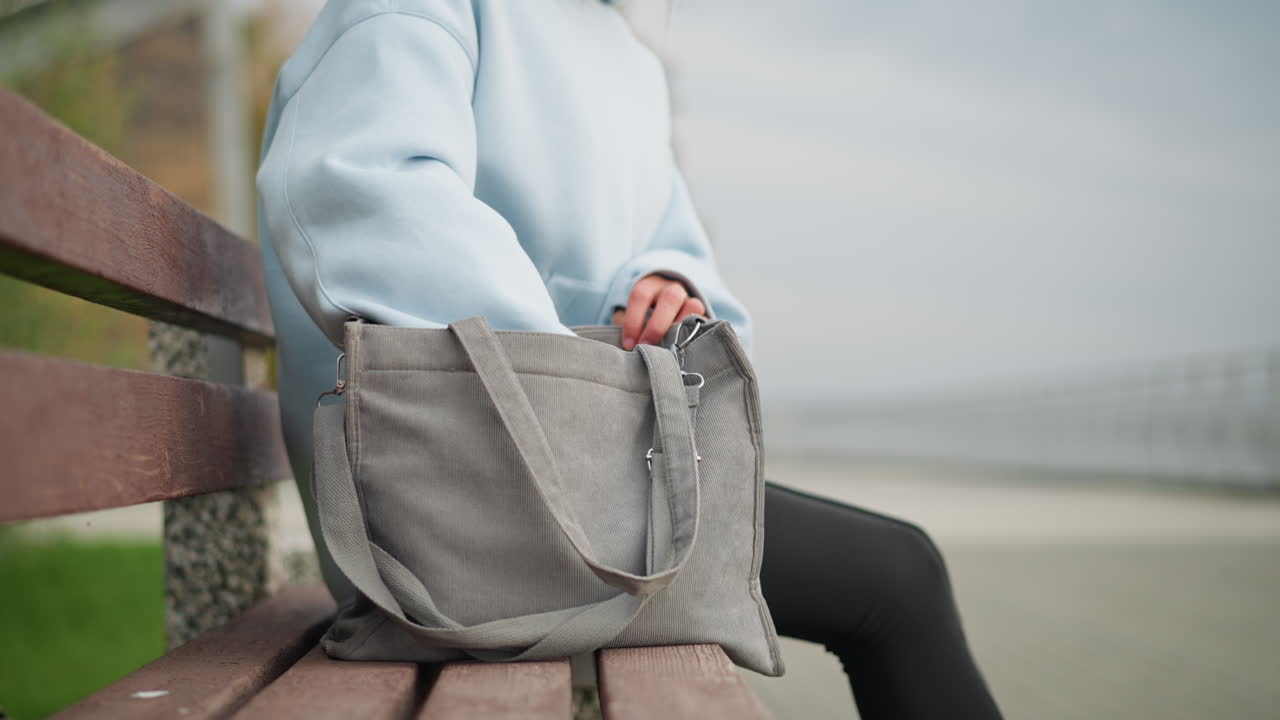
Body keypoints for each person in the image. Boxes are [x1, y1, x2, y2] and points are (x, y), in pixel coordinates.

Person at [256, 2, 1003, 717]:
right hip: (456, 508)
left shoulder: (633, 64)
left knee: (904, 567)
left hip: (603, 478)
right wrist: (569, 381)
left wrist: (666, 281)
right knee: (898, 579)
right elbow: (363, 185)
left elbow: (671, 246)